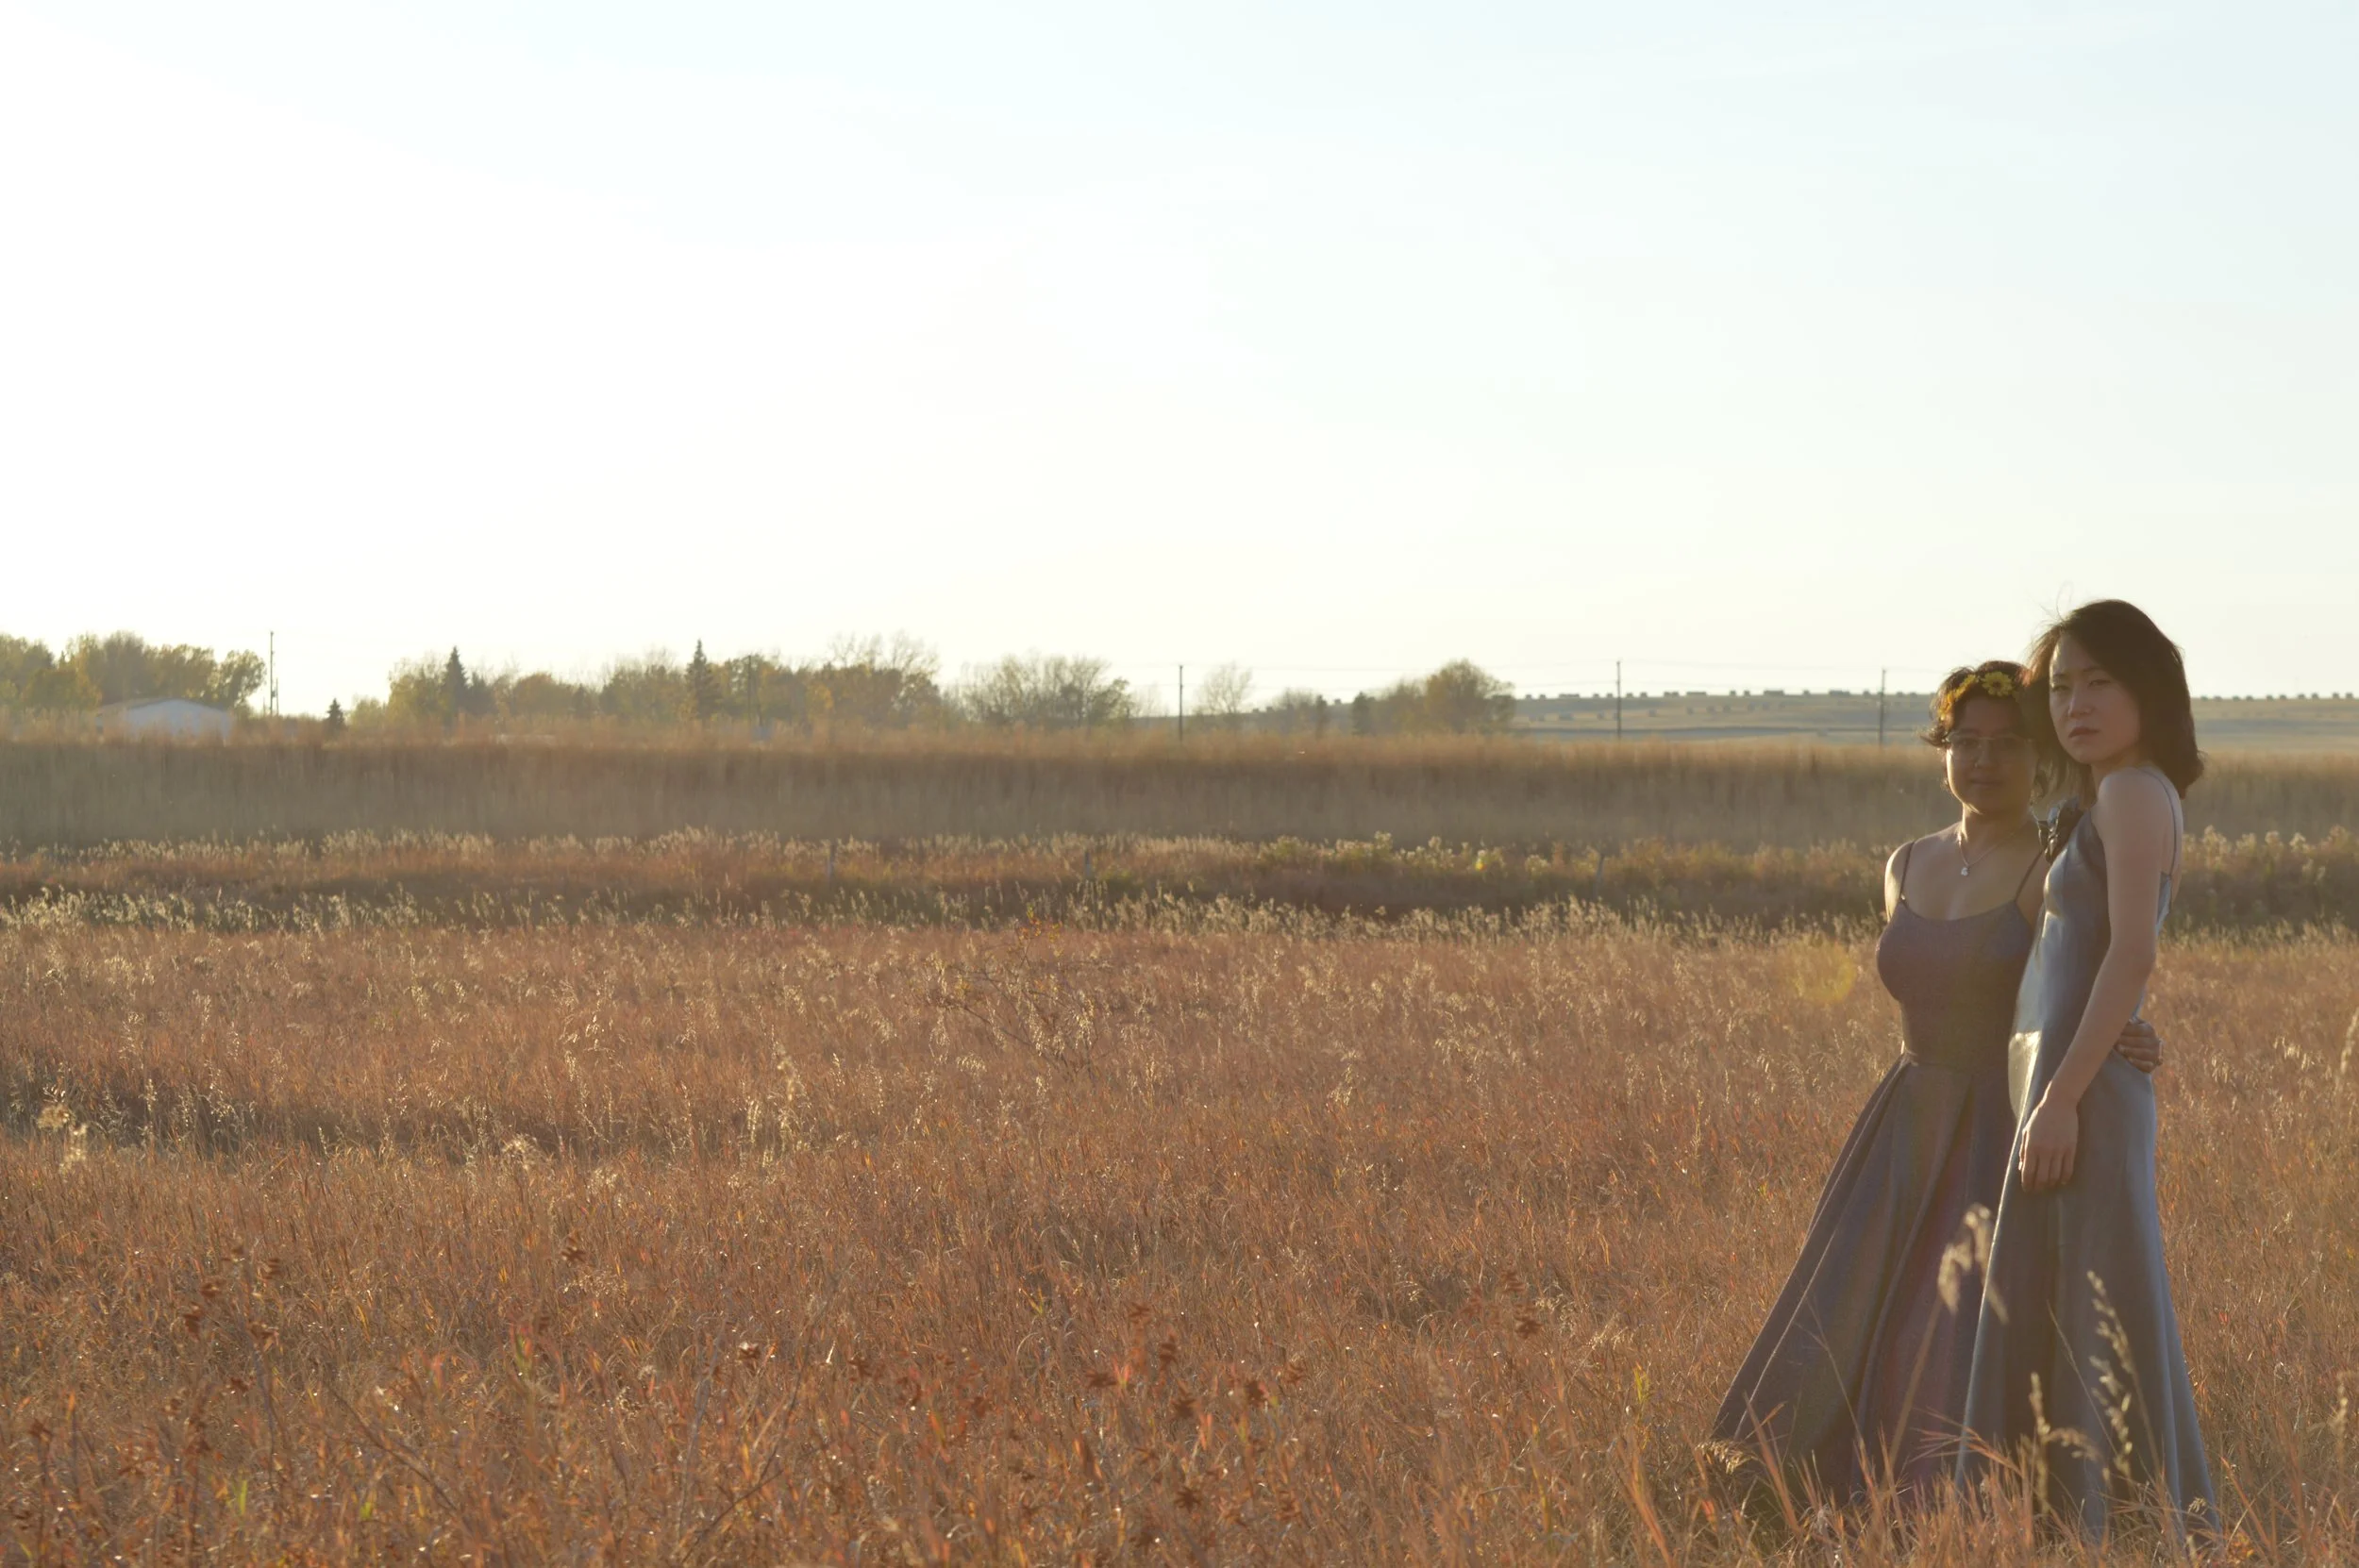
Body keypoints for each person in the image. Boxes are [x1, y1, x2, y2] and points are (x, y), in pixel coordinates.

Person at [1713, 661, 2162, 1504]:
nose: (1985, 761)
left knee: (1945, 1323)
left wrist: (2129, 1033)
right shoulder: (1903, 863)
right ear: (1942, 750)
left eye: (2008, 744)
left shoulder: (2052, 871)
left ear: (2040, 758)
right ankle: (1785, 1489)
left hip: (1998, 1122)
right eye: (1967, 741)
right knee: (1849, 1306)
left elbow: (2090, 982)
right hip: (1905, 1116)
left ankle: (1936, 1503)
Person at [1954, 602, 2215, 1534]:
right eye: (2062, 686)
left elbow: (2133, 952)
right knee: (2064, 1291)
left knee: (2101, 1297)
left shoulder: (2135, 791)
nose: (2076, 704)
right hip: (2071, 1086)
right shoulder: (2107, 796)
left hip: (2079, 1098)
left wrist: (2062, 1097)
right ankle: (2070, 1518)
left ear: (2148, 689)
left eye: (2100, 681)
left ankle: (2119, 1521)